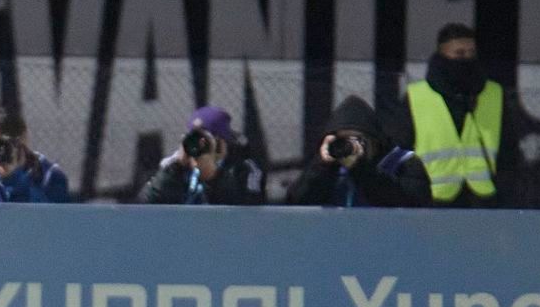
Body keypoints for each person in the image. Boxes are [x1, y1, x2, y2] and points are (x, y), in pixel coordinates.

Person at [385, 23, 514, 207]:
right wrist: (412, 186)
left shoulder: (494, 94)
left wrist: (505, 191)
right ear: (442, 55)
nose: (467, 59)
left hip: (484, 200)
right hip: (431, 200)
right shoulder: (416, 97)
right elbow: (398, 149)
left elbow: (509, 152)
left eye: (471, 53)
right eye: (459, 54)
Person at [286, 95, 432, 208]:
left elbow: (407, 204)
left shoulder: (404, 164)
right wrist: (321, 167)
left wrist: (361, 169)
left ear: (374, 139)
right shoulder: (330, 169)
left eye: (356, 139)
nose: (349, 146)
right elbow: (298, 204)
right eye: (343, 139)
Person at [140, 105, 267, 205]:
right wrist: (175, 169)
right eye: (194, 138)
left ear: (222, 143)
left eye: (206, 140)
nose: (200, 146)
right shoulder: (175, 165)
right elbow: (145, 205)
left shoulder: (245, 168)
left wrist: (213, 178)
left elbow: (249, 209)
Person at [0, 107, 71, 203]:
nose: (0, 150)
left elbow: (45, 220)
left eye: (4, 143)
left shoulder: (49, 175)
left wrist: (13, 178)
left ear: (23, 137)